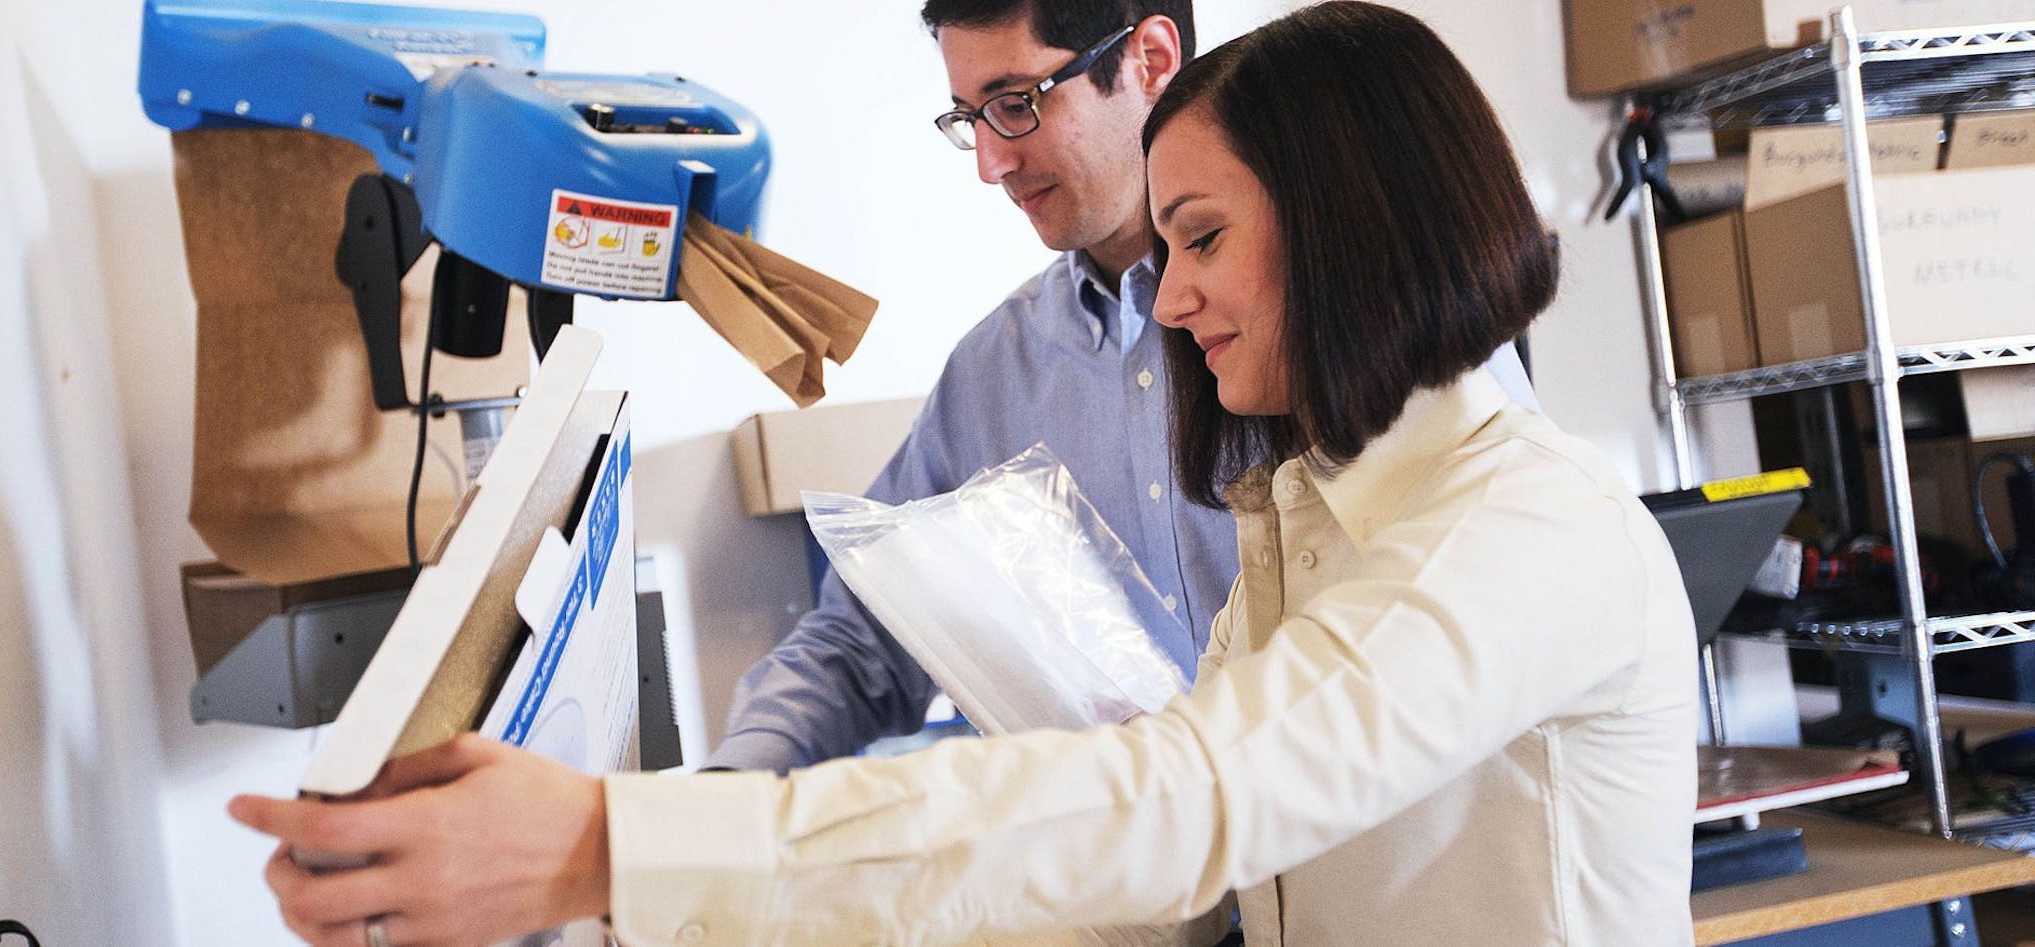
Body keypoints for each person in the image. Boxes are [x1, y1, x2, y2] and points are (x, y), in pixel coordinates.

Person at [231, 4, 1696, 946]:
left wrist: (616, 848)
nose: (1176, 297)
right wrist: (714, 874)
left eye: (1204, 239)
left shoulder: (1523, 529)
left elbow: (1187, 795)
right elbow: (1181, 861)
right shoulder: (1296, 503)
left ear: (1350, 229)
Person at [710, 0, 1533, 778]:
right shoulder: (994, 374)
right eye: (970, 118)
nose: (992, 163)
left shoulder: (1357, 320)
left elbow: (1486, 593)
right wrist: (726, 788)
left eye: (1016, 104)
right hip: (1144, 857)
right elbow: (863, 638)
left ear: (1151, 60)